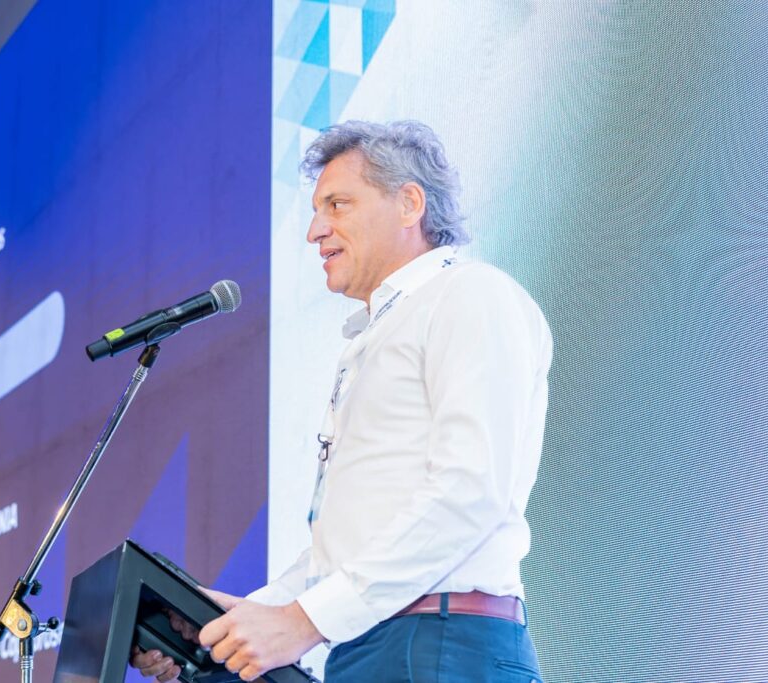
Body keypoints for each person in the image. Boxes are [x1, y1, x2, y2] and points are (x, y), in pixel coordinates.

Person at [133, 120, 552, 682]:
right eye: (315, 210)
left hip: (442, 645)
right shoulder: (379, 331)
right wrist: (238, 621)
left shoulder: (470, 294)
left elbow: (469, 492)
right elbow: (351, 548)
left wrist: (303, 621)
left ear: (409, 204)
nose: (315, 230)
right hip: (370, 645)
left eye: (337, 204)